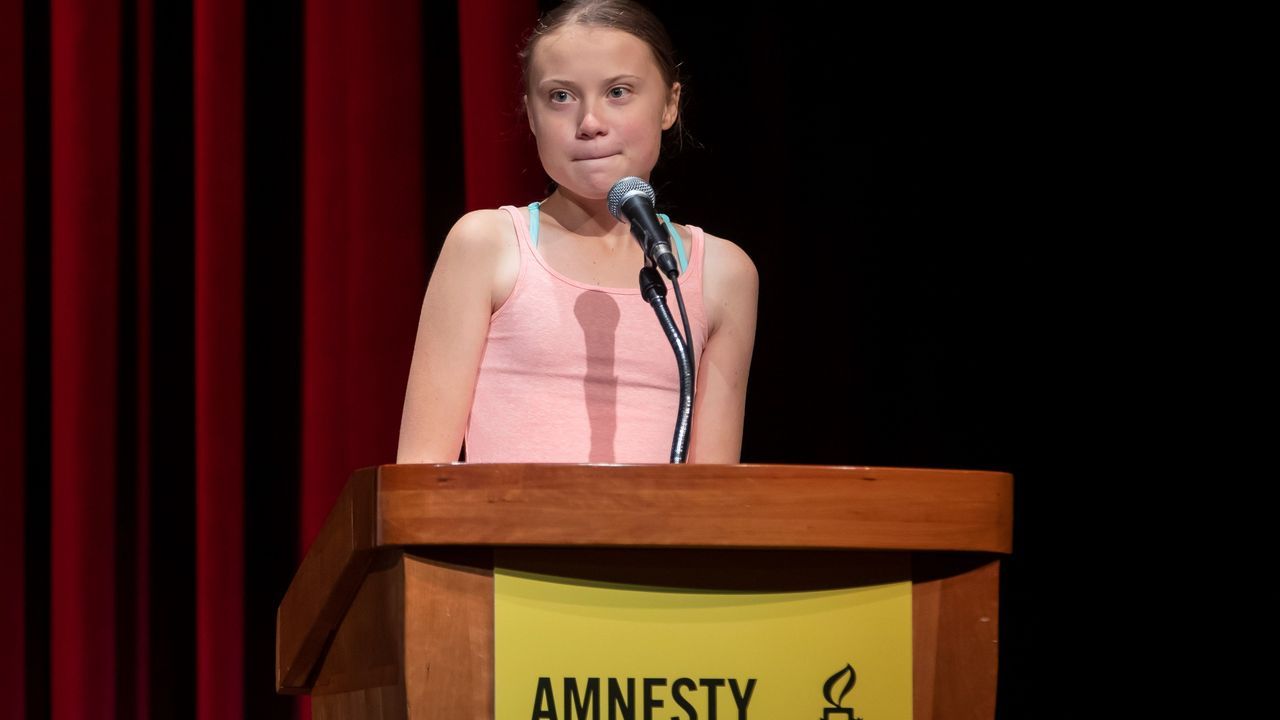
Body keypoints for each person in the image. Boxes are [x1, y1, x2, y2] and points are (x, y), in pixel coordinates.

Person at [396, 0, 757, 464]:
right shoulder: (486, 245)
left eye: (619, 92)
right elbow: (422, 474)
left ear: (670, 104)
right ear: (531, 115)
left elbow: (716, 493)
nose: (589, 123)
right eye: (561, 97)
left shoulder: (723, 273)